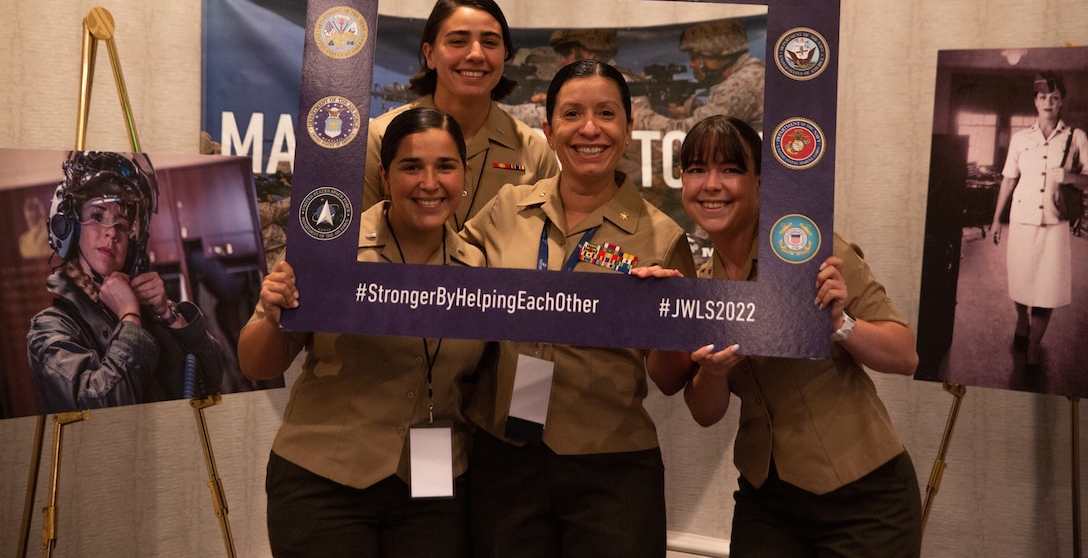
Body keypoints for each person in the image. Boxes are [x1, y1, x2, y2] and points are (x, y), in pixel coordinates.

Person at [643, 116, 922, 557]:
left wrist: (839, 324)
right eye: (696, 170)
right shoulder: (703, 284)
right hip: (767, 499)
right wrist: (712, 373)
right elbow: (704, 413)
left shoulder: (810, 250)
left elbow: (905, 355)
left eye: (730, 170)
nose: (711, 184)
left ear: (760, 183)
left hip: (865, 500)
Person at [462, 60, 696, 558]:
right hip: (504, 456)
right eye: (572, 114)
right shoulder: (506, 209)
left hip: (612, 466)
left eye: (606, 114)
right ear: (549, 130)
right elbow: (440, 280)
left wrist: (667, 321)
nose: (590, 129)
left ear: (629, 128)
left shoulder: (663, 237)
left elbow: (672, 379)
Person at [238, 108, 487, 558]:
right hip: (323, 486)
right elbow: (256, 365)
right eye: (411, 167)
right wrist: (273, 316)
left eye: (445, 167)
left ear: (464, 174)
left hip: (434, 493)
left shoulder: (479, 269)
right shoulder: (327, 248)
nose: (429, 183)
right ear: (385, 177)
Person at [26, 151, 223, 412]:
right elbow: (101, 408)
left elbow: (213, 378)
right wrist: (130, 316)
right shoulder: (50, 328)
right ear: (69, 227)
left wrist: (168, 314)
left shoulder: (149, 311)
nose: (111, 233)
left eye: (120, 225)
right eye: (97, 217)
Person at [362, 0, 559, 228]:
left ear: (505, 55)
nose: (476, 54)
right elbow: (355, 240)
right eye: (458, 41)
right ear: (430, 55)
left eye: (490, 42)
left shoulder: (534, 153)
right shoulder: (379, 139)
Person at [990, 72, 1088, 371]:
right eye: (1043, 97)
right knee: (1021, 279)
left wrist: (1070, 177)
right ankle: (1022, 319)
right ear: (1035, 101)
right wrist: (996, 220)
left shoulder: (1076, 137)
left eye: (1054, 98)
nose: (1048, 103)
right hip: (1022, 220)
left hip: (1055, 224)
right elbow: (1009, 179)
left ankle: (1034, 346)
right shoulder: (1021, 139)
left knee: (1047, 287)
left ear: (1061, 102)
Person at [631, 18, 764, 135]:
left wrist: (638, 116)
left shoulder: (740, 85)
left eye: (695, 56)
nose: (692, 64)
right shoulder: (753, 73)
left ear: (715, 52)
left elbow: (692, 135)